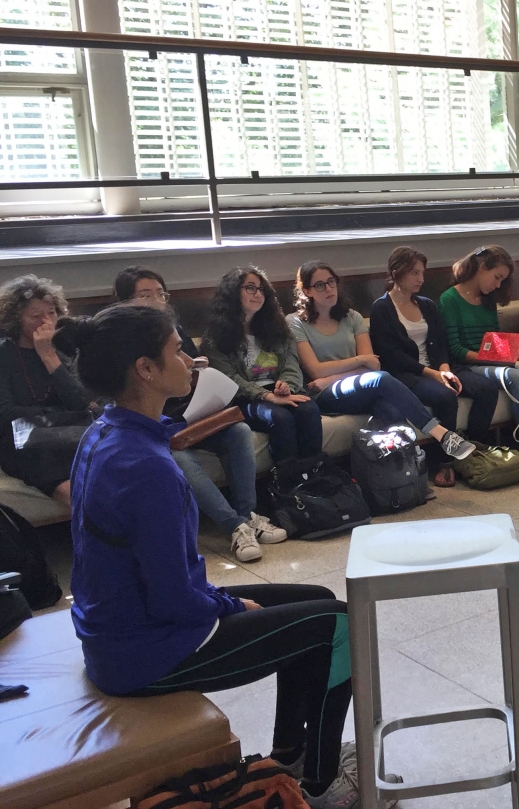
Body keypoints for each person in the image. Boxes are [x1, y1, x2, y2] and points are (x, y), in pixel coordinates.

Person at [60, 303, 359, 809]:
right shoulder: (144, 466)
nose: (190, 361)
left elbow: (159, 577)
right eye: (178, 350)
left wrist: (220, 600)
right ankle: (320, 782)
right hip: (146, 652)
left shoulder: (105, 433)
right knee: (340, 626)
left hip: (126, 627)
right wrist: (230, 607)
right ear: (145, 370)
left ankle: (290, 752)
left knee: (316, 598)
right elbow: (174, 600)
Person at [114, 267, 284, 563]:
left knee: (238, 431)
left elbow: (190, 371)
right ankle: (235, 527)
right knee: (178, 457)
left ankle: (248, 516)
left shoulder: (173, 329)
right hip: (158, 426)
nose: (157, 301)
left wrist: (197, 368)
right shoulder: (120, 342)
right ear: (125, 301)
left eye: (160, 294)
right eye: (146, 295)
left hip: (189, 413)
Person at [293, 259, 474, 488]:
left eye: (331, 282)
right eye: (319, 285)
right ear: (307, 291)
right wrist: (357, 363)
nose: (328, 289)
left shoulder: (352, 317)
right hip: (325, 395)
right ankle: (441, 434)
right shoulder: (296, 323)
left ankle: (411, 479)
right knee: (382, 380)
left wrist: (330, 376)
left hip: (351, 386)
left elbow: (374, 365)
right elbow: (315, 370)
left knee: (390, 410)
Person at [204, 268, 324, 463]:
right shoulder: (216, 337)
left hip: (280, 392)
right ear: (233, 292)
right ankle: (286, 484)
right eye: (250, 288)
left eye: (261, 289)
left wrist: (287, 385)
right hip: (245, 399)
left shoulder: (276, 328)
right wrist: (266, 396)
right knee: (280, 417)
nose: (258, 294)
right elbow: (229, 379)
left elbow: (291, 363)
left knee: (308, 409)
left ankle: (314, 476)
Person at [438, 245, 519, 439]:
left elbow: (494, 339)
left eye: (502, 280)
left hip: (491, 360)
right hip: (467, 365)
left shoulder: (488, 299)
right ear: (482, 268)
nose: (498, 285)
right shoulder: (449, 299)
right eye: (497, 277)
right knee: (516, 377)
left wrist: (511, 353)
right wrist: (498, 359)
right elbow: (455, 349)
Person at [0, 275, 91, 509]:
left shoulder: (64, 349)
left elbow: (80, 401)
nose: (46, 322)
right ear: (16, 320)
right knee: (74, 492)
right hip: (25, 442)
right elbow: (6, 414)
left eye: (51, 313)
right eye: (36, 316)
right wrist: (57, 414)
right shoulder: (4, 355)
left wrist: (49, 357)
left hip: (68, 434)